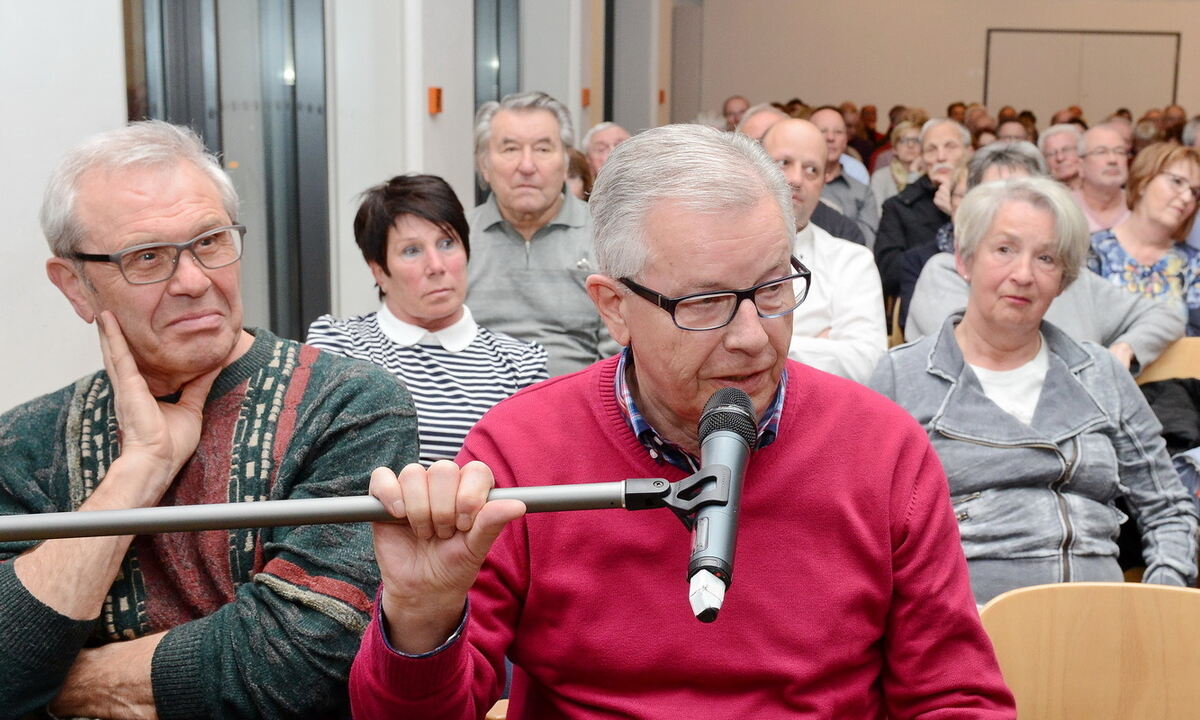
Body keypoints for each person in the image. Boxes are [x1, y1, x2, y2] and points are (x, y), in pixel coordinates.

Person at [347, 123, 1016, 719]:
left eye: (773, 288)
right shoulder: (520, 452)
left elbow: (954, 696)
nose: (754, 337)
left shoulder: (883, 449)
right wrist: (420, 619)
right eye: (706, 302)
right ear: (612, 308)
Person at [0, 121, 415, 718]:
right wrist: (138, 472)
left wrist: (54, 685)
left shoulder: (349, 406)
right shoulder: (24, 445)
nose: (194, 282)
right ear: (76, 286)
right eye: (147, 257)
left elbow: (298, 666)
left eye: (211, 242)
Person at [871, 177, 1198, 604]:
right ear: (965, 261)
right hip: (962, 632)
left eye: (1046, 258)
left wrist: (1160, 600)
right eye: (1004, 249)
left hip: (1100, 626)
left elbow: (1168, 508)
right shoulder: (903, 376)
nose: (1022, 275)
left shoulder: (1098, 372)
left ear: (1063, 280)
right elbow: (863, 529)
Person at [306, 175, 548, 466]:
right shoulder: (340, 343)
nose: (436, 266)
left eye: (447, 243)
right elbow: (327, 462)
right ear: (379, 271)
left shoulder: (520, 362)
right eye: (412, 250)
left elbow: (530, 471)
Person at [906, 148, 1184, 371]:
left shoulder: (1072, 280)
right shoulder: (945, 272)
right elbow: (984, 356)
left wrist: (1126, 348)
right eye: (999, 194)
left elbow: (1163, 315)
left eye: (1030, 196)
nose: (1023, 275)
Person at [467, 90, 618, 376]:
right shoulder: (456, 240)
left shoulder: (606, 234)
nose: (527, 166)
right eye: (510, 149)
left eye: (543, 149)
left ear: (566, 162)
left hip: (575, 407)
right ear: (484, 165)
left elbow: (620, 352)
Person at [762, 119, 886, 383]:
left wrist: (768, 345)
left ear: (824, 180)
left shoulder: (852, 260)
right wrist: (819, 344)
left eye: (812, 170)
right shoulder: (718, 253)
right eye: (783, 163)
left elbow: (868, 363)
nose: (796, 179)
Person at [1088, 142, 1200, 336]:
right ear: (1143, 182)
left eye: (1195, 192)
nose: (1187, 198)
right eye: (1177, 182)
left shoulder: (1193, 265)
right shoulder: (1091, 252)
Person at [875, 118, 971, 298]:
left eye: (950, 147)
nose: (941, 157)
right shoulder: (900, 206)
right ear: (922, 158)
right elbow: (888, 274)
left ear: (968, 152)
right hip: (924, 299)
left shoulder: (984, 198)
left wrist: (957, 213)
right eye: (931, 149)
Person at [811, 106, 879, 247]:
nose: (831, 138)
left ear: (846, 139)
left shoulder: (862, 191)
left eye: (838, 132)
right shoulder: (794, 184)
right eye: (823, 131)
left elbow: (866, 243)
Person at [1073, 124, 1131, 233]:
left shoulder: (1139, 207)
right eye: (1101, 152)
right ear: (1080, 165)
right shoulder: (1065, 209)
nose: (1113, 159)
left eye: (1120, 151)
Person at [1039, 123, 1083, 190]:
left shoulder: (1100, 189)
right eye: (1051, 154)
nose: (1060, 158)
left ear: (1081, 151)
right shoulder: (1043, 197)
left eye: (1066, 150)